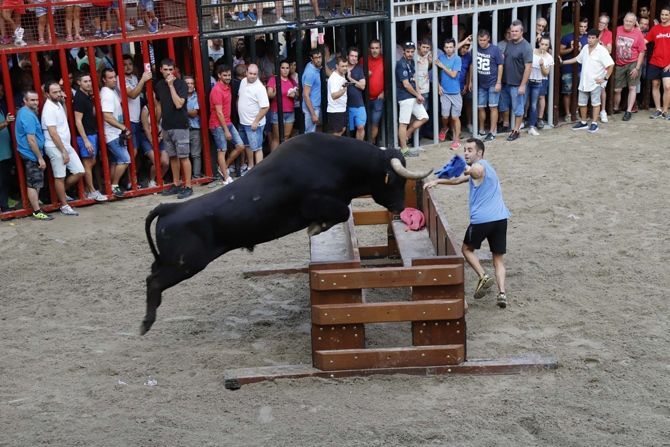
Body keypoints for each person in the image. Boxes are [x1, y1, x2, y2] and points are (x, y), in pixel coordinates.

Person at [424, 138, 510, 308]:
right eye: (465, 150)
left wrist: (467, 168)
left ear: (480, 152)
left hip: (482, 220)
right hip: (501, 218)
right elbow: (459, 180)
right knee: (498, 258)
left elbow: (476, 172)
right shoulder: (489, 167)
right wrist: (437, 181)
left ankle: (483, 276)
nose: (466, 153)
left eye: (470, 150)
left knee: (466, 249)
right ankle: (502, 293)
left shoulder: (479, 167)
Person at [41, 81, 85, 216]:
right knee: (59, 176)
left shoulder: (58, 103)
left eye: (59, 91)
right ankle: (64, 205)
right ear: (47, 94)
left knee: (80, 171)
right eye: (54, 92)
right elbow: (53, 133)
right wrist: (63, 151)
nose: (58, 94)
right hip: (56, 147)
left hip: (65, 145)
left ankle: (61, 194)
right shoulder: (48, 109)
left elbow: (64, 119)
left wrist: (64, 103)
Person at [561, 29, 615, 134]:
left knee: (596, 103)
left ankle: (594, 123)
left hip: (595, 82)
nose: (590, 40)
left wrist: (605, 78)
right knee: (582, 103)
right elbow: (577, 59)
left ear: (598, 38)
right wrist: (563, 62)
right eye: (589, 37)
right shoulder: (585, 48)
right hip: (584, 81)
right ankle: (583, 122)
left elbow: (611, 65)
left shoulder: (602, 50)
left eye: (592, 38)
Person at [155, 58, 193, 199]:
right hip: (166, 126)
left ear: (175, 70)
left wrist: (171, 86)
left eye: (171, 70)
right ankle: (176, 184)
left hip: (180, 126)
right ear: (161, 70)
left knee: (184, 157)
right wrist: (157, 124)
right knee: (172, 157)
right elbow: (159, 105)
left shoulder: (181, 84)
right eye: (165, 70)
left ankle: (188, 186)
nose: (168, 72)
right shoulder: (159, 85)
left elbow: (178, 104)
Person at [15, 91, 52, 220]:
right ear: (25, 101)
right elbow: (31, 139)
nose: (35, 102)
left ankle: (35, 207)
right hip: (31, 154)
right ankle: (36, 211)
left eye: (36, 100)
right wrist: (39, 158)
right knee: (33, 183)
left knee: (35, 182)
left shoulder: (24, 112)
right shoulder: (28, 115)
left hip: (30, 153)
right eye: (32, 100)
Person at [73, 72, 107, 202]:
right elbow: (78, 121)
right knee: (88, 163)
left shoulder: (86, 96)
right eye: (85, 81)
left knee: (91, 162)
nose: (88, 83)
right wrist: (85, 140)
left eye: (89, 81)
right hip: (86, 135)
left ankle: (88, 190)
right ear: (79, 83)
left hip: (91, 133)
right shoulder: (79, 98)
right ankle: (92, 191)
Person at [210, 64, 245, 184]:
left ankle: (223, 167)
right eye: (225, 75)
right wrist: (226, 130)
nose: (227, 77)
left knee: (240, 146)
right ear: (219, 75)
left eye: (229, 75)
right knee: (222, 151)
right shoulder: (217, 90)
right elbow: (219, 113)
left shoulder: (228, 87)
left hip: (227, 122)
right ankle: (226, 178)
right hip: (218, 125)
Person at [100, 68, 131, 198]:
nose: (114, 80)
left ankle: (110, 188)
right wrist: (123, 127)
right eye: (110, 78)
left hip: (115, 133)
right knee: (125, 159)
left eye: (114, 77)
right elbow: (107, 116)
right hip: (112, 134)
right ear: (104, 80)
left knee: (115, 162)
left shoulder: (111, 91)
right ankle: (114, 185)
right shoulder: (107, 94)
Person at [499, 20, 532, 141]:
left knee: (518, 109)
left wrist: (523, 85)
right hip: (505, 82)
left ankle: (516, 130)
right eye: (512, 31)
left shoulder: (526, 47)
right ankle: (506, 125)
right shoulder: (510, 43)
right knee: (504, 106)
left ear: (521, 32)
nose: (513, 33)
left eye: (516, 31)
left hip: (517, 84)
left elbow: (528, 68)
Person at [396, 41, 428, 157]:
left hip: (412, 96)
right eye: (408, 51)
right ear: (403, 51)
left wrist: (418, 94)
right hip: (405, 97)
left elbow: (414, 79)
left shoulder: (411, 61)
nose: (410, 54)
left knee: (424, 117)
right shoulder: (401, 64)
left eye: (412, 51)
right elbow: (406, 84)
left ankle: (407, 134)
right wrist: (417, 95)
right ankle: (404, 150)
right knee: (403, 123)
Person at [613, 13, 646, 121]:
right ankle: (616, 107)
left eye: (630, 21)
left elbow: (642, 51)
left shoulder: (638, 33)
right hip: (619, 63)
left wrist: (637, 68)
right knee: (617, 89)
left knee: (632, 87)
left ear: (634, 23)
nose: (628, 23)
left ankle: (628, 111)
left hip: (633, 63)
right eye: (626, 20)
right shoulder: (617, 30)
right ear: (623, 20)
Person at [473, 29, 503, 141]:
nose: (482, 42)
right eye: (480, 40)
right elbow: (472, 64)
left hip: (493, 83)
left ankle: (492, 131)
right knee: (480, 107)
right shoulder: (476, 48)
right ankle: (481, 130)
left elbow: (500, 65)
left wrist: (498, 82)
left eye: (484, 40)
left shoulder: (495, 49)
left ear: (488, 39)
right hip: (481, 84)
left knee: (493, 107)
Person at [237, 63, 269, 169]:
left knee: (257, 148)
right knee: (247, 145)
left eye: (255, 74)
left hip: (254, 124)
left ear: (257, 74)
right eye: (250, 73)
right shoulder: (243, 81)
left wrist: (256, 121)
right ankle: (251, 167)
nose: (252, 76)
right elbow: (240, 97)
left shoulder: (260, 88)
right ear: (246, 73)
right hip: (243, 121)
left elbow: (265, 107)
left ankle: (259, 171)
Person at [560, 17, 589, 122]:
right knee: (567, 92)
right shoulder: (567, 37)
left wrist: (580, 50)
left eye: (585, 27)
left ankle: (576, 112)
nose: (582, 28)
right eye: (581, 26)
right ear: (576, 26)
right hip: (567, 68)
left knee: (580, 91)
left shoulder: (588, 39)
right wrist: (571, 49)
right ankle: (568, 114)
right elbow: (560, 51)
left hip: (582, 69)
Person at [435, 38, 462, 150]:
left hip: (455, 92)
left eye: (451, 47)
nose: (449, 49)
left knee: (455, 117)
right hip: (444, 92)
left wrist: (442, 66)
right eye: (446, 47)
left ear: (454, 48)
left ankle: (457, 140)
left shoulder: (457, 59)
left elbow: (453, 75)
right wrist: (438, 85)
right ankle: (444, 128)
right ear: (444, 48)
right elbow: (435, 73)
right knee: (445, 116)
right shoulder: (441, 57)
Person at [645, 6, 670, 119]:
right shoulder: (655, 29)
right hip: (655, 62)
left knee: (667, 87)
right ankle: (658, 109)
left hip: (667, 63)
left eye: (666, 15)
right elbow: (645, 41)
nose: (663, 17)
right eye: (662, 14)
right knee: (655, 85)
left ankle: (665, 110)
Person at [266, 60, 297, 150]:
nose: (285, 70)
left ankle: (282, 157)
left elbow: (298, 92)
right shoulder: (273, 79)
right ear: (279, 69)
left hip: (290, 112)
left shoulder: (291, 80)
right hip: (277, 112)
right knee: (277, 137)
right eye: (283, 68)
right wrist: (275, 92)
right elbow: (269, 94)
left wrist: (295, 94)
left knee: (286, 136)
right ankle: (273, 158)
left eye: (287, 68)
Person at [527, 37, 554, 135]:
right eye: (542, 44)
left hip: (538, 81)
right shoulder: (532, 51)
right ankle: (523, 121)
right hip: (527, 80)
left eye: (546, 45)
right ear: (539, 43)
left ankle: (532, 125)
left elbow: (546, 73)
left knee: (534, 103)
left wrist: (542, 65)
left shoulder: (549, 57)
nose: (544, 46)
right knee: (525, 102)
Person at [345, 47, 366, 140]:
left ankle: (359, 147)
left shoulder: (359, 68)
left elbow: (362, 86)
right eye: (352, 56)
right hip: (344, 105)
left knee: (360, 127)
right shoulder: (342, 68)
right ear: (347, 56)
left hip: (358, 104)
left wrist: (350, 79)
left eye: (356, 56)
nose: (354, 58)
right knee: (346, 130)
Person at [366, 39, 384, 143]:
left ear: (380, 48)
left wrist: (385, 92)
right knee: (364, 123)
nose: (374, 50)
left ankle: (371, 144)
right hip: (364, 98)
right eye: (372, 48)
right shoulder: (363, 60)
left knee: (374, 123)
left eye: (377, 48)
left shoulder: (384, 60)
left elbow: (390, 78)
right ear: (369, 49)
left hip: (378, 98)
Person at [302, 48, 323, 133]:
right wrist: (313, 114)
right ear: (311, 58)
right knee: (309, 134)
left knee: (313, 133)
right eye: (316, 58)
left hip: (315, 106)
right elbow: (306, 95)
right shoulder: (310, 73)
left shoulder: (311, 66)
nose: (318, 60)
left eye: (320, 57)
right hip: (312, 108)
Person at [185, 76, 202, 179]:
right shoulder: (180, 95)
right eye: (188, 83)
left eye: (192, 83)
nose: (190, 85)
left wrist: (181, 109)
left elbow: (194, 113)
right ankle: (186, 177)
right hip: (182, 130)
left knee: (196, 154)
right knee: (184, 155)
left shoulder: (197, 96)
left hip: (195, 128)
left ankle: (196, 177)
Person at [597, 14, 613, 122]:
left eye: (604, 23)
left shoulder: (608, 33)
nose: (601, 24)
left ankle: (603, 111)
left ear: (607, 25)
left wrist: (601, 45)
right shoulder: (592, 31)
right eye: (600, 22)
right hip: (592, 65)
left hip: (603, 66)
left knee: (602, 89)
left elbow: (609, 51)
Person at [327, 57, 348, 136]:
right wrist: (344, 90)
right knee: (337, 134)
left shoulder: (342, 74)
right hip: (335, 110)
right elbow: (334, 96)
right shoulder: (334, 78)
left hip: (341, 108)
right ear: (336, 66)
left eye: (346, 66)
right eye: (342, 66)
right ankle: (331, 144)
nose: (345, 68)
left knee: (342, 129)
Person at [0, 91, 13, 212]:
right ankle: (3, 207)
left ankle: (4, 205)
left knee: (5, 180)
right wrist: (6, 123)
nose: (2, 93)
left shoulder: (2, 106)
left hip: (5, 152)